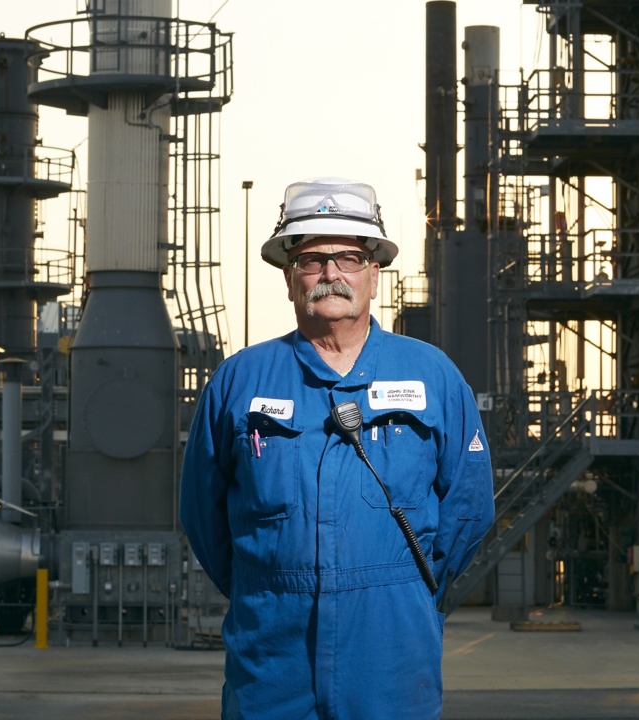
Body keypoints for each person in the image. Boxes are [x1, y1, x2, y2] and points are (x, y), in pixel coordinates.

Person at [180, 177, 494, 719]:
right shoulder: (239, 381)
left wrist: (408, 586)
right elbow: (202, 515)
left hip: (391, 645)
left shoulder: (433, 376)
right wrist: (268, 585)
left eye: (348, 257)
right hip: (273, 650)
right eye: (310, 260)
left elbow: (469, 507)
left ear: (374, 273)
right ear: (288, 276)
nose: (330, 274)